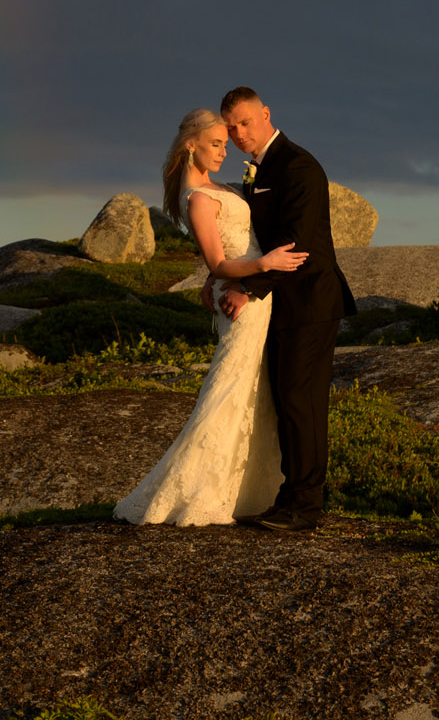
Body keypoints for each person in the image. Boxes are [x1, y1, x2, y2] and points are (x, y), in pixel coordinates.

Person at [113, 107, 308, 526]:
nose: (224, 150)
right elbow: (221, 262)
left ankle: (250, 491)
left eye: (225, 143)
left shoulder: (213, 186)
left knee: (253, 390)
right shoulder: (198, 197)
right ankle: (202, 489)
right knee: (230, 388)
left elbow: (219, 257)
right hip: (246, 298)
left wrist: (218, 278)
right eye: (216, 144)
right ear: (191, 145)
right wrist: (265, 264)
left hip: (253, 295)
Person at [216, 86, 357, 531]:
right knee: (286, 401)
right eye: (231, 126)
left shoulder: (299, 166)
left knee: (302, 403)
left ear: (266, 114)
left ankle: (306, 505)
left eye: (244, 121)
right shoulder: (260, 168)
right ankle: (290, 495)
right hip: (284, 303)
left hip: (311, 300)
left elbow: (294, 248)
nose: (238, 133)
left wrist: (247, 289)